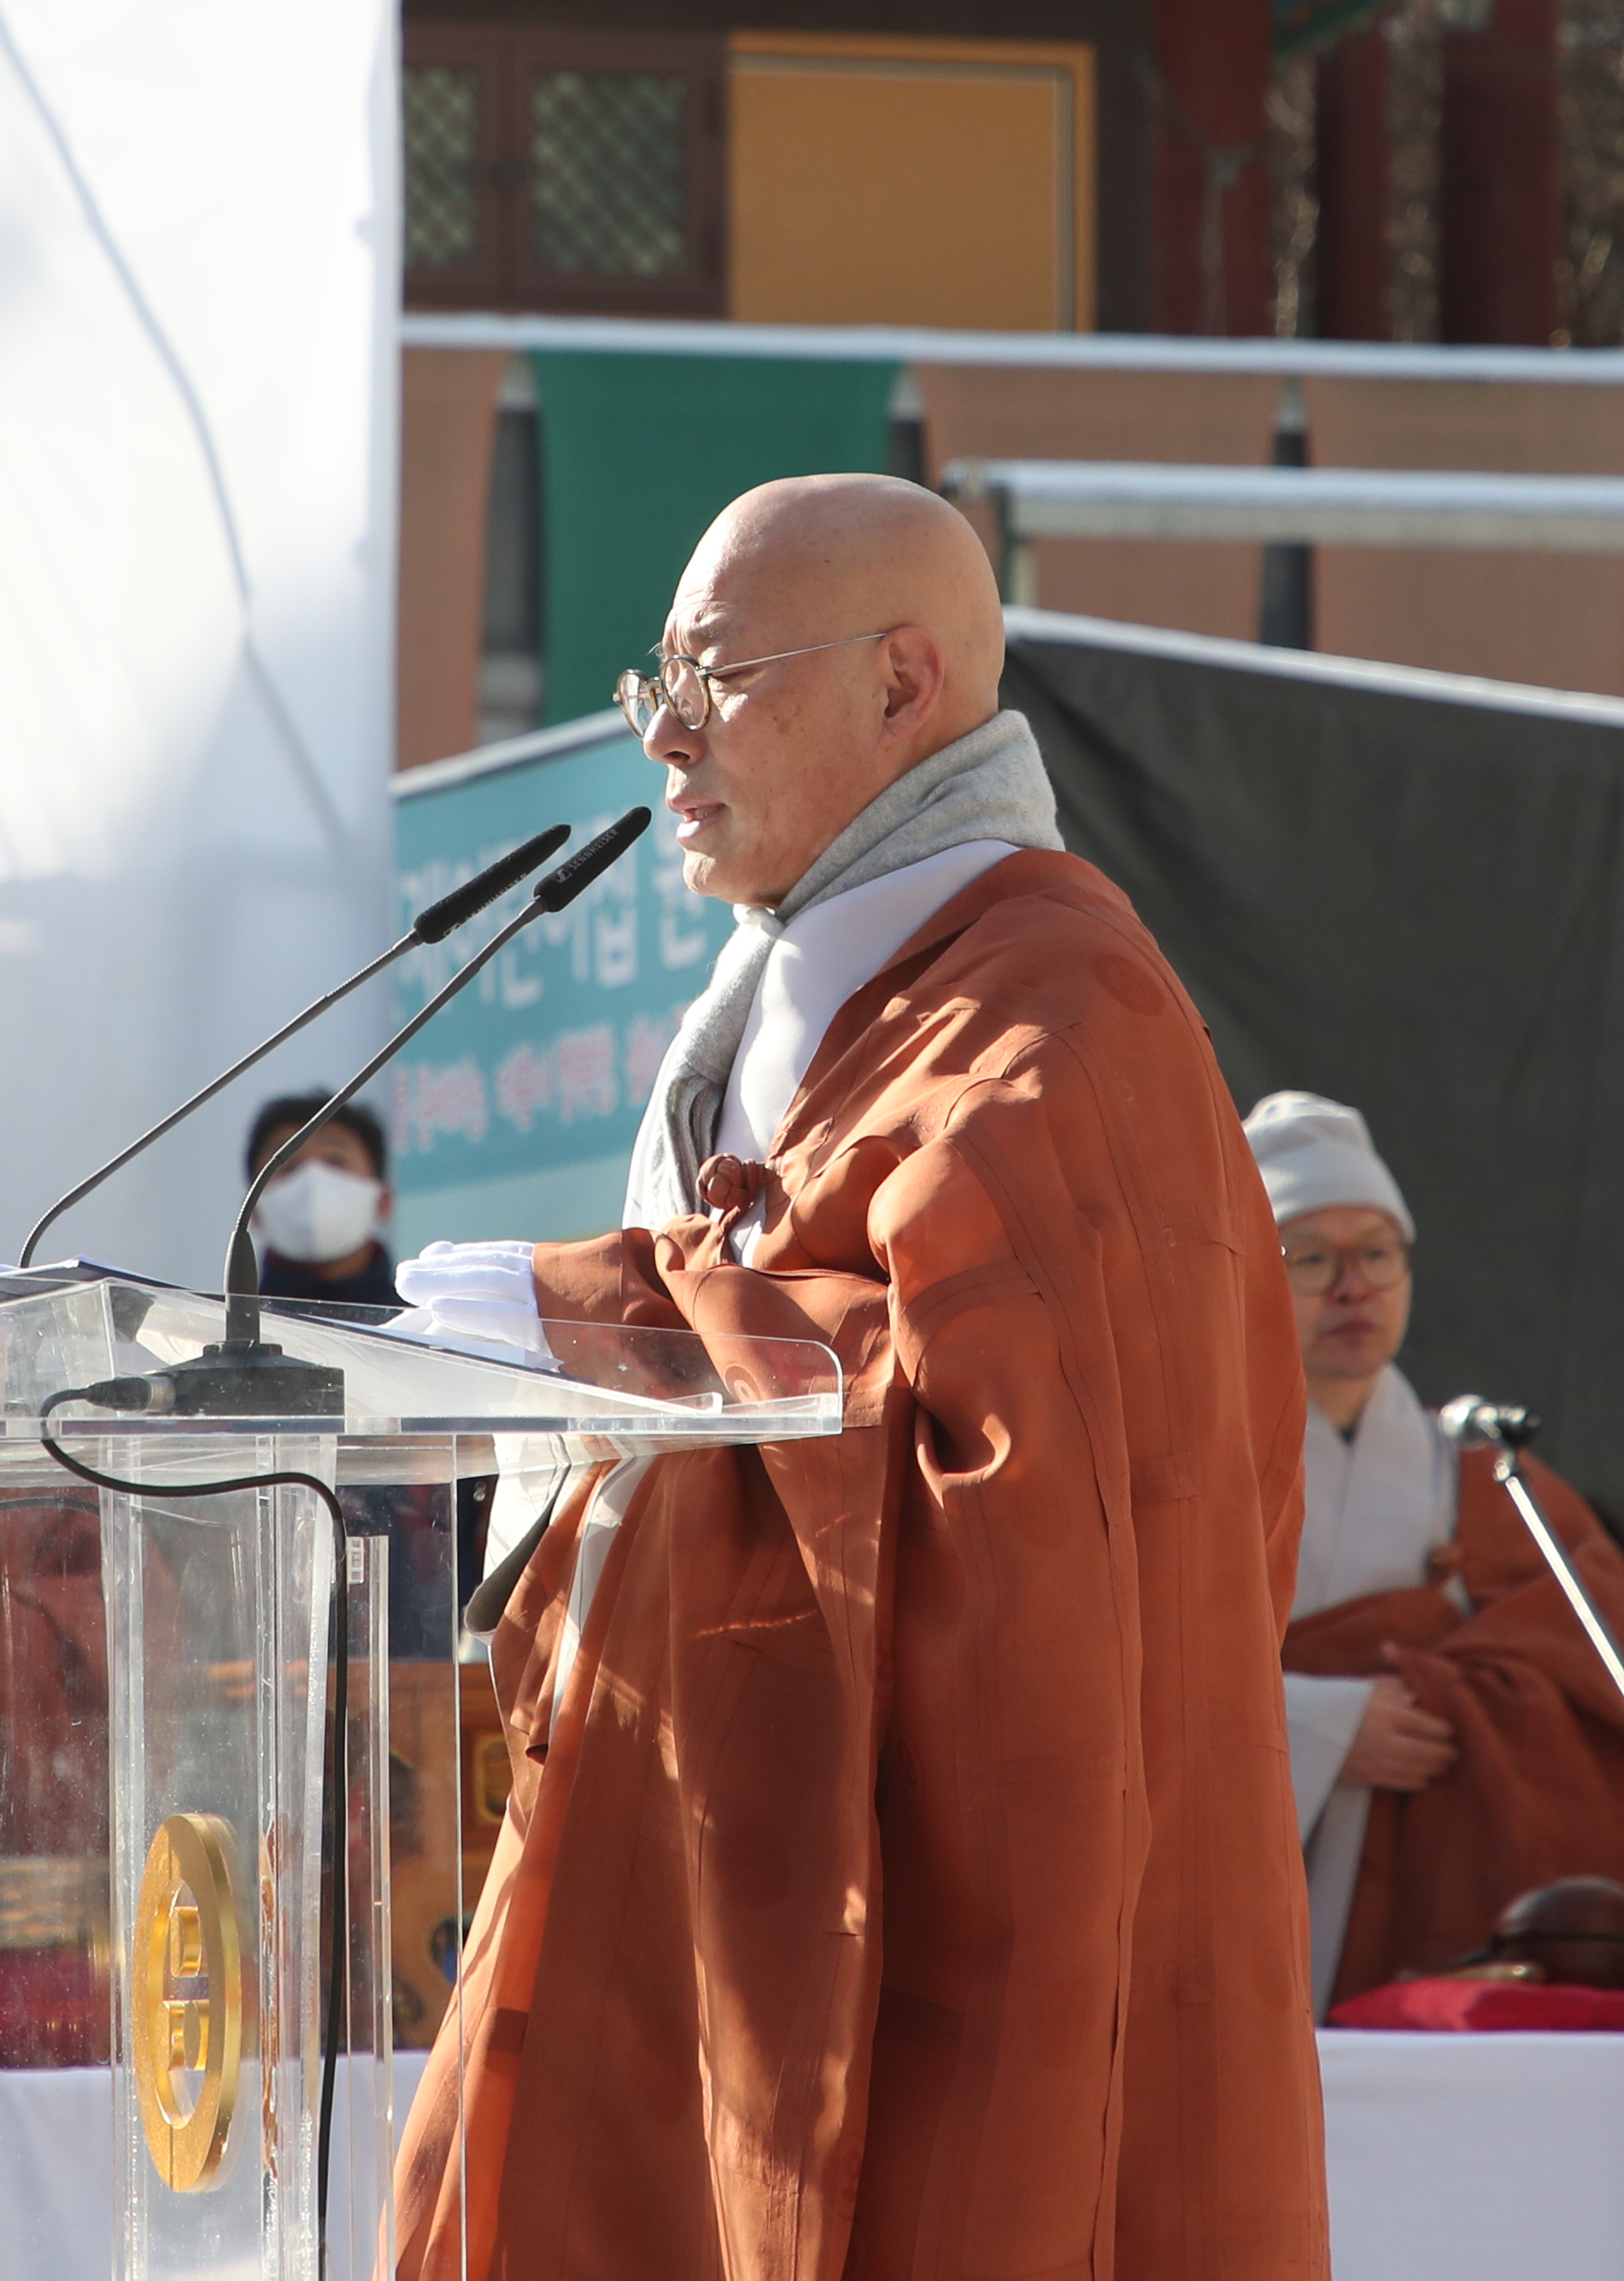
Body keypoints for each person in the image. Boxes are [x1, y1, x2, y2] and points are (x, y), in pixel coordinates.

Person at [387, 474, 1326, 2281]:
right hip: (699, 1845)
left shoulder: (1064, 1013)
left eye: (714, 674)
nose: (659, 731)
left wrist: (607, 1316)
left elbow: (1028, 1468)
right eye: (648, 675)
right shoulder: (788, 997)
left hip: (936, 1909)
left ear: (907, 686)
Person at [1255, 1090, 1624, 2004]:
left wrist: (1468, 1704)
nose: (1353, 1288)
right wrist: (1313, 1727)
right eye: (1310, 1258)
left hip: (1426, 1900)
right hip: (1242, 1877)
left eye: (1376, 1255)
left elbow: (1594, 1695)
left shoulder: (1488, 1480)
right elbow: (1110, 1672)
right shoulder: (1184, 1474)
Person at [241, 1088, 401, 1313]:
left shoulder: (429, 1334)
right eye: (288, 1166)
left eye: (336, 1161)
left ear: (382, 1201)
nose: (313, 1179)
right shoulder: (224, 1340)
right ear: (253, 1211)